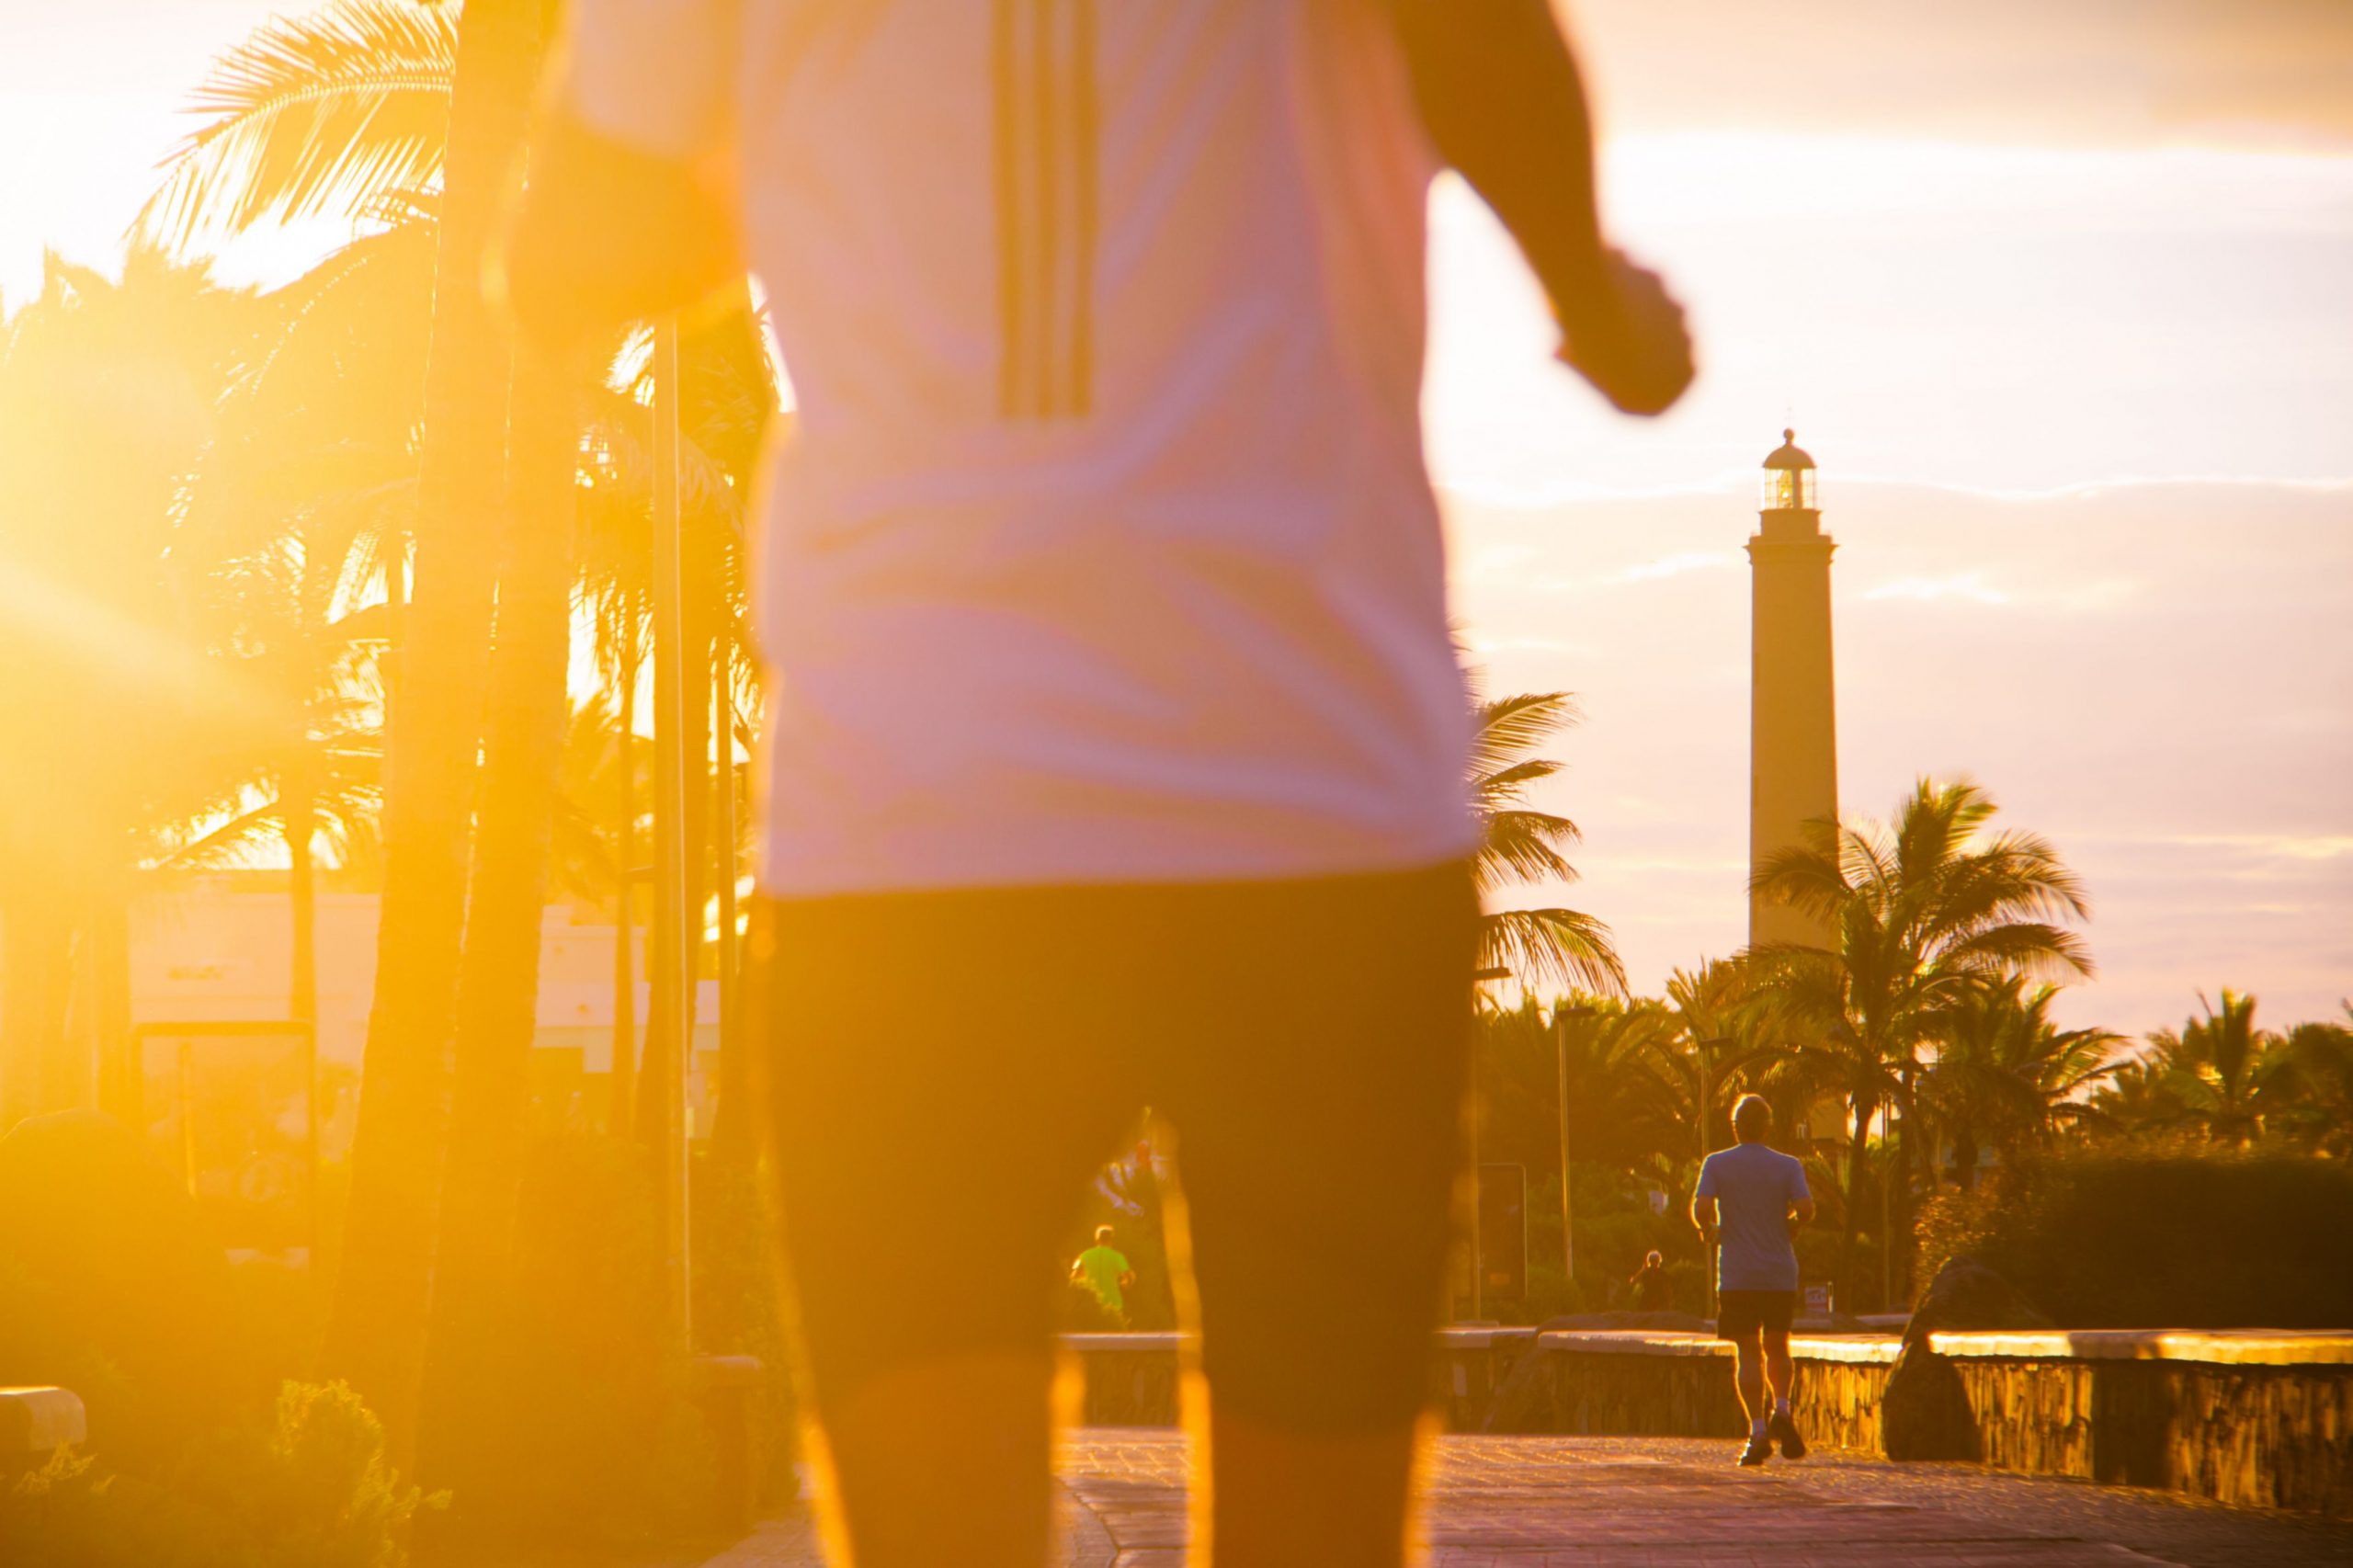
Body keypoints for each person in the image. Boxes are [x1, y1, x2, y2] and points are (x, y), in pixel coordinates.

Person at [505, 2, 1690, 1562]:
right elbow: (1481, 45)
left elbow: (570, 255)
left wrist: (827, 160)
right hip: (1302, 782)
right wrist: (1592, 301)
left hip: (922, 808)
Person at [1692, 1095, 1816, 1467]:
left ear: (1735, 1127)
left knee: (1748, 1352)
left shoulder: (1716, 1163)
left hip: (1737, 1274)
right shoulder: (1787, 1165)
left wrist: (1710, 1230)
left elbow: (1700, 1209)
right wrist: (1792, 1225)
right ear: (1767, 1126)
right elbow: (1807, 1208)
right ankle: (1782, 1407)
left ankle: (1758, 1432)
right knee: (1779, 1346)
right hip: (1779, 1272)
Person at [1071, 1226, 1138, 1329]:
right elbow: (1129, 1276)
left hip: (1090, 1305)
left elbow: (1074, 1278)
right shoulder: (1117, 1256)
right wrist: (1126, 1283)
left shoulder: (1084, 1255)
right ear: (1111, 1240)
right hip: (1113, 1306)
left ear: (1097, 1239)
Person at [1628, 1249, 1672, 1313]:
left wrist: (1669, 1301)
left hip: (1659, 1298)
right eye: (1652, 1261)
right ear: (1650, 1262)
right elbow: (1633, 1281)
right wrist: (1641, 1271)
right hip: (1648, 1297)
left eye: (1655, 1261)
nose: (1654, 1263)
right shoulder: (1646, 1272)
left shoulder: (1662, 1273)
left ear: (1658, 1262)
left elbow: (1667, 1287)